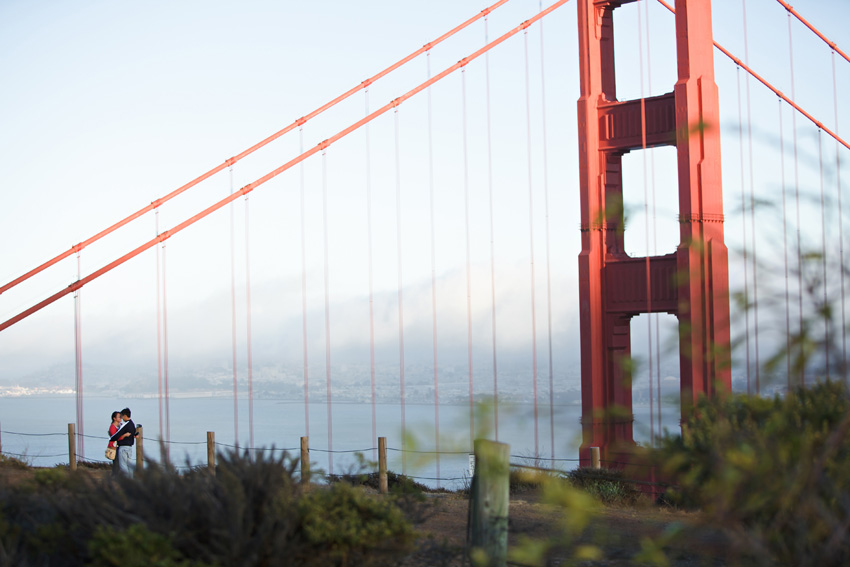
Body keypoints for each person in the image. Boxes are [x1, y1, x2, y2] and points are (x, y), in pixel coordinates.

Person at [109, 407, 138, 478]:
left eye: (122, 416)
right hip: (129, 447)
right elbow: (134, 433)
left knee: (123, 466)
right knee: (129, 465)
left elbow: (116, 435)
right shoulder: (132, 424)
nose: (121, 418)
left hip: (123, 447)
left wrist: (111, 438)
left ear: (125, 416)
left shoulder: (125, 425)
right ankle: (131, 479)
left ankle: (127, 480)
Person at [107, 411, 121, 476]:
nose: (120, 418)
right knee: (116, 462)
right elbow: (114, 437)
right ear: (114, 418)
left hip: (118, 445)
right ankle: (115, 476)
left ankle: (116, 475)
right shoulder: (112, 427)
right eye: (119, 417)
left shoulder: (120, 425)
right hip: (114, 446)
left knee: (118, 462)